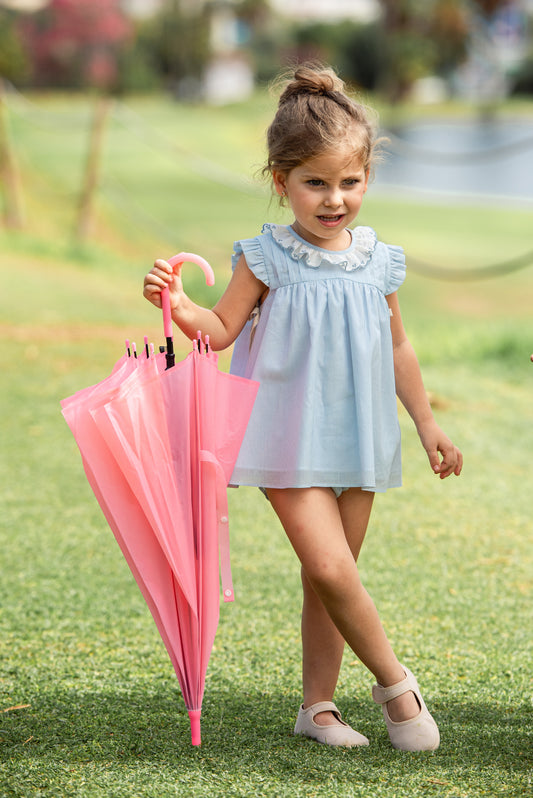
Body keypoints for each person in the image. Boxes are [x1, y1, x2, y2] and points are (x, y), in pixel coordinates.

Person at [143, 63, 463, 752]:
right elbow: (219, 331)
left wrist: (427, 423)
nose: (334, 199)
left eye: (350, 182)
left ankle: (317, 708)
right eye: (315, 183)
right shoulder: (265, 257)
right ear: (281, 180)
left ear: (367, 179)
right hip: (285, 436)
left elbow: (398, 348)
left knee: (332, 580)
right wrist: (180, 305)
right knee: (329, 568)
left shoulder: (380, 260)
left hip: (361, 434)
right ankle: (396, 687)